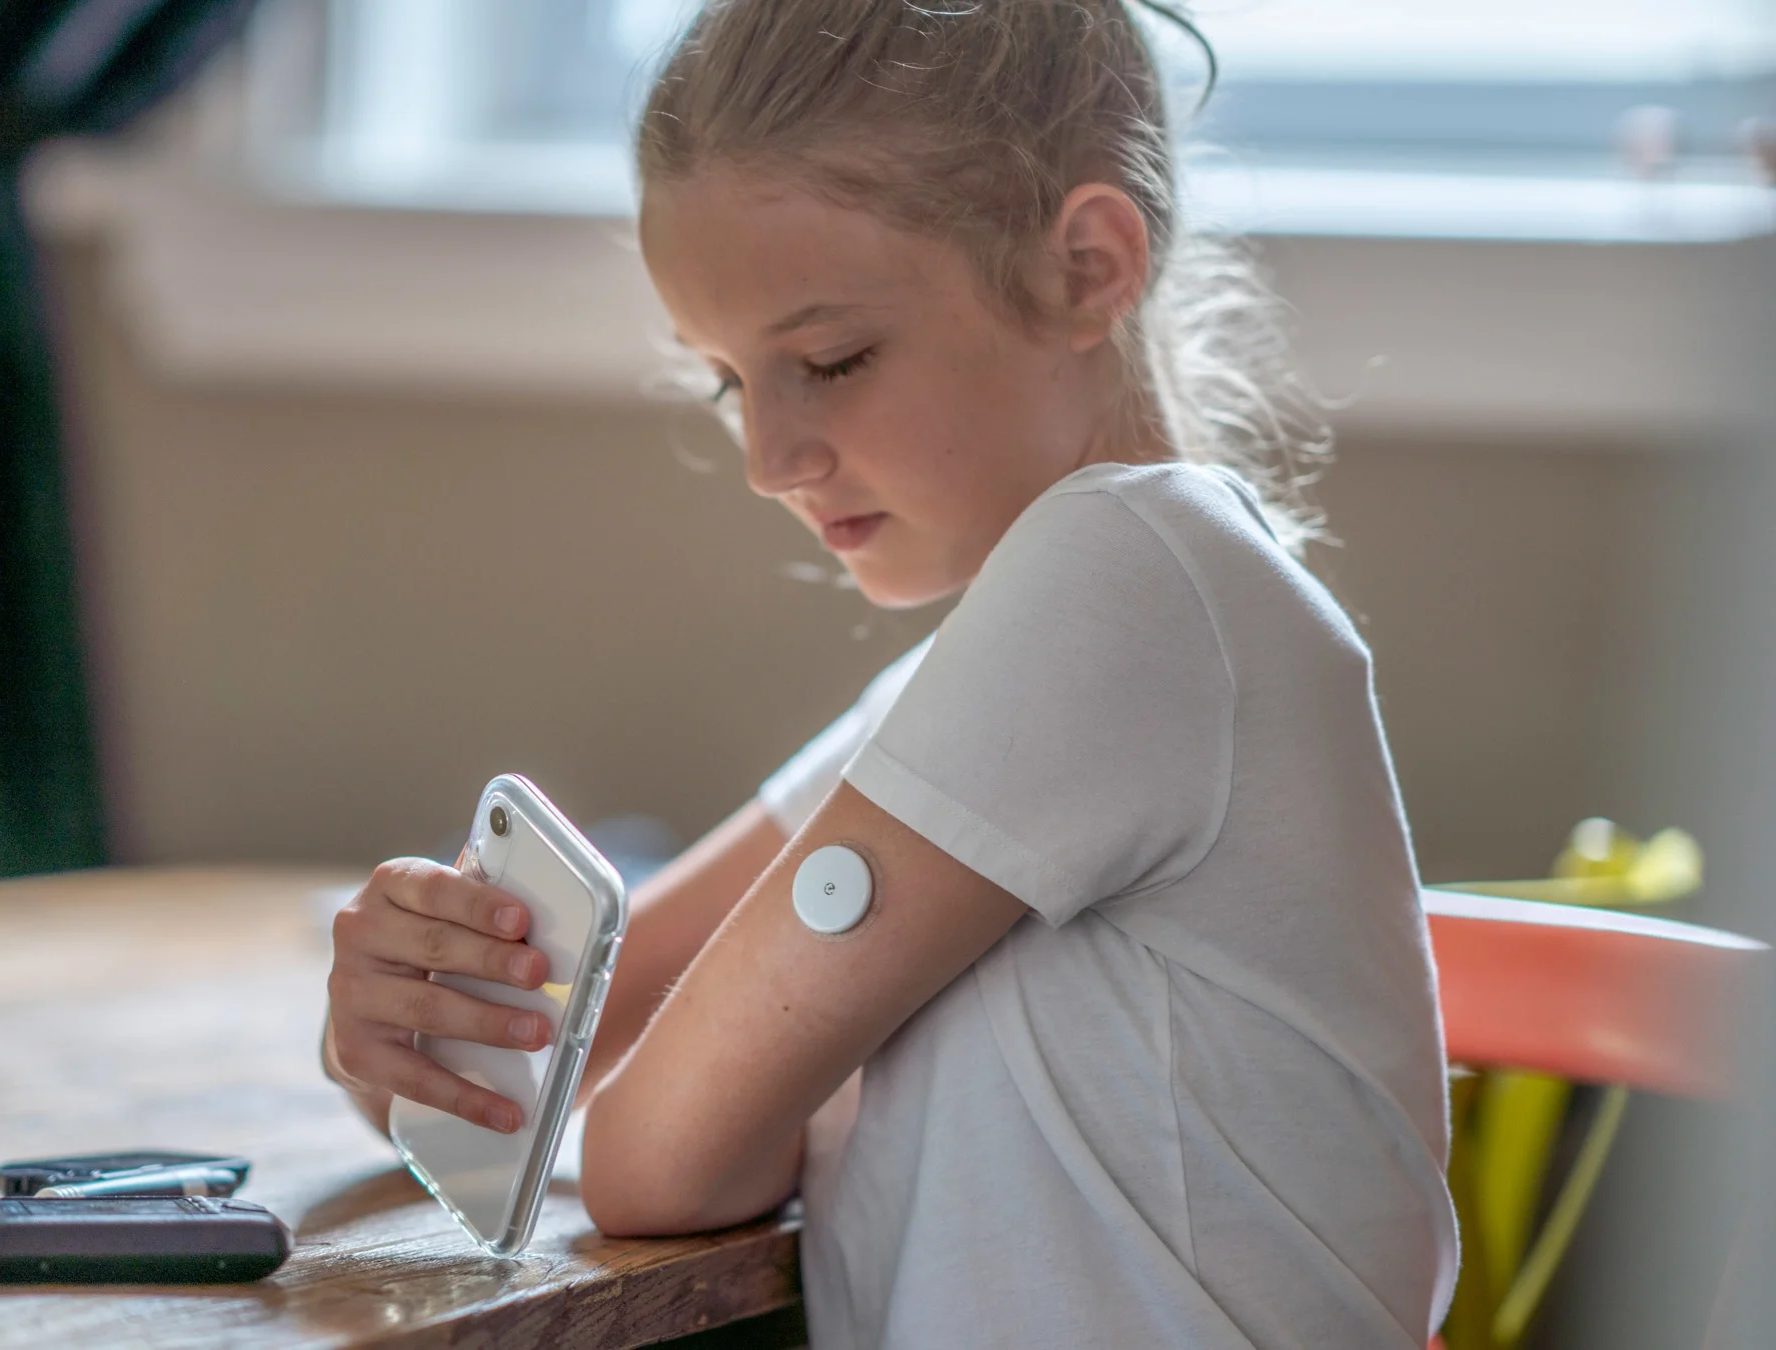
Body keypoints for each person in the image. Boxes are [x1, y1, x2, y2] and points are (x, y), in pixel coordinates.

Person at [320, 2, 1457, 1345]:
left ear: (1090, 266)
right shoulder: (1021, 655)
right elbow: (578, 1041)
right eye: (733, 384)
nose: (768, 458)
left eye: (832, 360)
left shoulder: (1126, 576)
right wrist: (406, 1029)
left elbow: (657, 1158)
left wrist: (649, 1088)